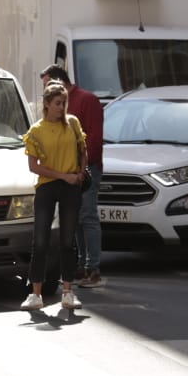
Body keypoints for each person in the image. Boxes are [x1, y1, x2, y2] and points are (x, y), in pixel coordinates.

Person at [20, 82, 86, 311]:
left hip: (71, 186)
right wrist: (62, 176)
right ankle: (35, 294)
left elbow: (83, 150)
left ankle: (68, 292)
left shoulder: (73, 123)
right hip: (47, 186)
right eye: (58, 103)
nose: (62, 107)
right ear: (47, 104)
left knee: (67, 240)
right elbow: (33, 166)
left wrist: (80, 173)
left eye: (64, 103)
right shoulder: (36, 130)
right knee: (40, 240)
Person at [41, 63, 104, 288]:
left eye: (48, 84)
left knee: (87, 216)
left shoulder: (87, 100)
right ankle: (81, 266)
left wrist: (81, 169)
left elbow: (93, 141)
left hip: (86, 170)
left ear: (60, 81)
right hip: (67, 172)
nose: (46, 91)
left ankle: (93, 269)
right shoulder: (60, 104)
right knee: (75, 219)